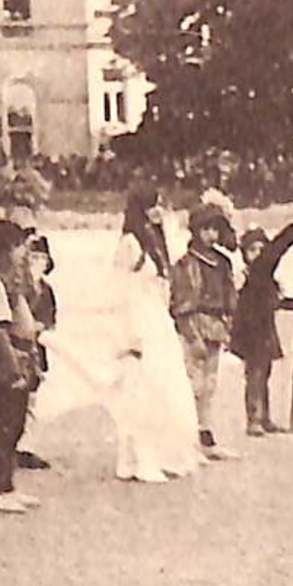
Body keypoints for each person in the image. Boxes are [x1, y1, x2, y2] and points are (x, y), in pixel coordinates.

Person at [108, 188, 202, 481]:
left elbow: (170, 268)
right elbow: (120, 287)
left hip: (157, 317)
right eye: (153, 205)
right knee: (141, 390)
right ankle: (138, 459)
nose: (158, 210)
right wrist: (128, 332)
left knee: (164, 387)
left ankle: (164, 454)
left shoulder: (154, 239)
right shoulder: (130, 242)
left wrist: (165, 228)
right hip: (138, 317)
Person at [0, 220, 43, 513]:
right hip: (6, 356)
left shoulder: (12, 278)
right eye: (17, 246)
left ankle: (8, 485)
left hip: (22, 353)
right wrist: (12, 368)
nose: (21, 252)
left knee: (16, 423)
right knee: (3, 423)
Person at [170, 204, 240, 460]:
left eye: (215, 230)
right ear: (195, 231)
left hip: (215, 326)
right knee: (193, 383)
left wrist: (230, 325)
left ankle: (206, 436)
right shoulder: (186, 264)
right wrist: (192, 335)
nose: (211, 235)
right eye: (206, 229)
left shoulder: (222, 263)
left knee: (210, 384)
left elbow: (230, 298)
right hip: (195, 324)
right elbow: (182, 304)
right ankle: (186, 439)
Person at [228, 227, 293, 437]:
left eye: (261, 250)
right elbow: (236, 299)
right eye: (252, 250)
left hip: (265, 329)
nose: (257, 254)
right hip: (249, 329)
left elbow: (274, 300)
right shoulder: (244, 276)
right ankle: (253, 418)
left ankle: (265, 417)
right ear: (244, 253)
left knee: (265, 372)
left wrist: (289, 303)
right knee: (254, 373)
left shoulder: (269, 278)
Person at [8, 205, 55, 471]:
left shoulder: (44, 290)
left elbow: (49, 318)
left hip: (38, 347)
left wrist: (42, 327)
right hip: (17, 345)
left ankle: (26, 445)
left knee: (33, 397)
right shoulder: (12, 282)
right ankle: (14, 444)